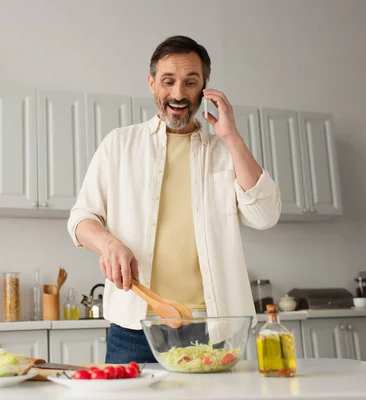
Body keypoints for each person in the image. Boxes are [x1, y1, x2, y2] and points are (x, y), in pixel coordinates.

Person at [66, 35, 281, 364]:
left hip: (214, 326)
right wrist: (108, 244)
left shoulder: (225, 150)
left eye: (190, 82)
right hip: (134, 327)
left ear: (205, 87)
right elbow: (81, 219)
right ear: (152, 83)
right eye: (168, 81)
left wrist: (232, 137)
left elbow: (265, 215)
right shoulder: (119, 145)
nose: (178, 94)